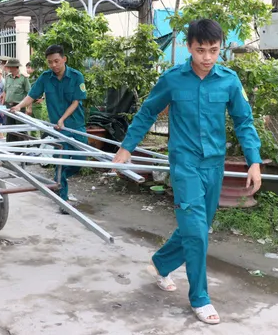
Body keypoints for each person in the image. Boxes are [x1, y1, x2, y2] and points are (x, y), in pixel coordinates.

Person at [112, 19, 262, 325]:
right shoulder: (173, 79)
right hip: (185, 164)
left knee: (197, 227)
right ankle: (200, 298)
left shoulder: (229, 80)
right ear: (189, 47)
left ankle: (160, 263)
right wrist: (126, 147)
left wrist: (254, 161)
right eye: (200, 50)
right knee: (196, 232)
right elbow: (147, 112)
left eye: (213, 50)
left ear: (221, 48)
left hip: (214, 164)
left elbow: (244, 122)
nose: (207, 57)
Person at [10, 45, 86, 210]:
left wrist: (63, 118)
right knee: (61, 161)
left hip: (76, 126)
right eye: (50, 62)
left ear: (64, 59)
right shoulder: (45, 77)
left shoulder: (76, 76)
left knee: (81, 160)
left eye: (57, 61)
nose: (53, 65)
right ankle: (62, 200)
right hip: (58, 129)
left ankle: (59, 179)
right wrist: (19, 107)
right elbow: (32, 95)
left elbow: (76, 101)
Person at [3, 58, 31, 143]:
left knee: (20, 128)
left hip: (18, 106)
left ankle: (23, 146)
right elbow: (5, 91)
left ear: (15, 67)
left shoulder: (23, 78)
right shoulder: (8, 77)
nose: (9, 69)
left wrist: (29, 107)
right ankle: (11, 146)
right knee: (10, 127)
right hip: (9, 106)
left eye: (10, 67)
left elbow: (29, 93)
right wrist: (3, 100)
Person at [26, 62, 44, 137]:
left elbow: (45, 88)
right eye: (26, 68)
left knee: (40, 122)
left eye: (29, 68)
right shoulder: (28, 78)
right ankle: (33, 139)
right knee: (31, 123)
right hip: (30, 103)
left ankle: (44, 138)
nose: (27, 70)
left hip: (36, 103)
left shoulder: (38, 77)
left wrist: (43, 98)